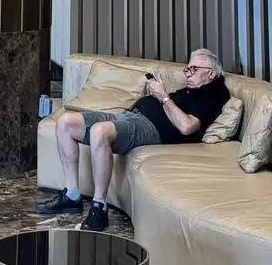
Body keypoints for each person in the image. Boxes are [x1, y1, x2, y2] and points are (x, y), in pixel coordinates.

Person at [36, 47, 231, 231]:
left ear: (211, 73)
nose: (188, 74)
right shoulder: (191, 89)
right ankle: (72, 195)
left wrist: (163, 96)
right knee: (65, 122)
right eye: (187, 69)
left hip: (153, 129)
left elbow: (187, 126)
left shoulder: (214, 92)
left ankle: (99, 207)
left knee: (99, 131)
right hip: (131, 117)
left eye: (194, 69)